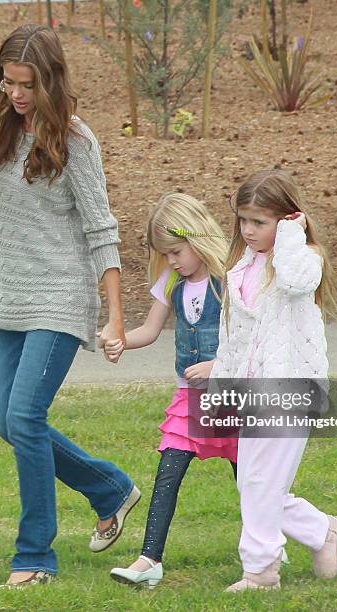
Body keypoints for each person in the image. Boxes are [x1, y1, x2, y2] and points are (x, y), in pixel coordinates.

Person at [0, 24, 140, 587]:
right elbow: (10, 223)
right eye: (7, 81)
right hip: (15, 296)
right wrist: (1, 282)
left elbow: (101, 229)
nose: (15, 94)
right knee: (8, 423)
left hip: (63, 295)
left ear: (50, 81)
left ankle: (34, 558)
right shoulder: (2, 129)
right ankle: (111, 489)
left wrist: (115, 316)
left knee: (25, 417)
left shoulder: (77, 140)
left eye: (26, 84)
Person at [210, 169, 337, 592]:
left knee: (261, 483)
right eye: (243, 221)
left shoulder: (302, 258)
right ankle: (320, 528)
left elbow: (295, 281)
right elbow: (232, 337)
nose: (248, 230)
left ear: (287, 220)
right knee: (253, 482)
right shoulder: (244, 267)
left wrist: (291, 235)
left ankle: (261, 571)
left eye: (259, 222)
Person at [104, 193, 238, 589]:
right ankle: (149, 560)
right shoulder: (171, 283)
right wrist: (121, 340)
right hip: (188, 398)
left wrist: (218, 365)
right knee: (168, 472)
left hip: (231, 395)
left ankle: (269, 543)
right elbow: (149, 330)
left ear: (197, 239)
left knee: (249, 477)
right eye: (165, 255)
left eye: (177, 251)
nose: (173, 261)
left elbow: (248, 336)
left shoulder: (229, 279)